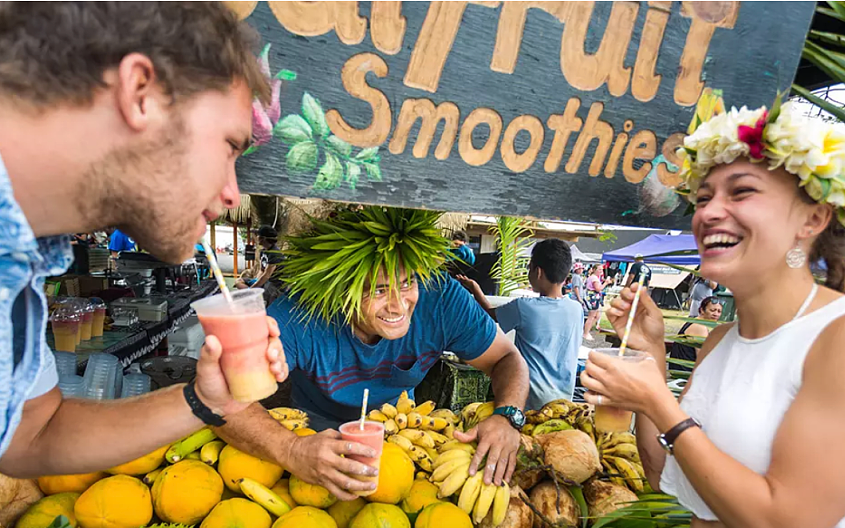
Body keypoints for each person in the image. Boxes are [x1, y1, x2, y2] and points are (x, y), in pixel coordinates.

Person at [0, 4, 315, 528]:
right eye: (230, 147)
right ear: (140, 90)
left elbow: (35, 436)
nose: (234, 191)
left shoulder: (9, 255)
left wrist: (207, 401)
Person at [581, 94, 845, 528]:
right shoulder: (721, 340)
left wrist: (661, 404)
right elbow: (665, 472)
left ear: (814, 218)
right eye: (703, 198)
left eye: (741, 191)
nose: (707, 212)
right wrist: (653, 358)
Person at [219, 206, 530, 493]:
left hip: (401, 435)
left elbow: (506, 357)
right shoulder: (300, 314)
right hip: (313, 436)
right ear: (340, 292)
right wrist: (291, 450)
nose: (398, 305)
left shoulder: (441, 299)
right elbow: (221, 399)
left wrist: (508, 415)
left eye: (407, 283)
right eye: (379, 289)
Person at [458, 239, 584, 410]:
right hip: (563, 402)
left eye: (529, 268)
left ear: (538, 271)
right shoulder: (577, 309)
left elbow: (489, 314)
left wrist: (475, 289)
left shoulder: (524, 307)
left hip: (529, 400)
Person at [669, 297, 723, 367]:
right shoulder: (700, 327)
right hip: (686, 371)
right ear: (702, 310)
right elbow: (702, 359)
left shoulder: (694, 321)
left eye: (719, 311)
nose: (716, 314)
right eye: (712, 310)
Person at [582, 264, 610, 341]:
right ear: (594, 270)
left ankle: (586, 330)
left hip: (594, 297)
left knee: (597, 315)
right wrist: (606, 283)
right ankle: (585, 333)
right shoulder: (594, 278)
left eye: (602, 269)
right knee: (592, 316)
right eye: (599, 269)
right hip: (593, 298)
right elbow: (598, 288)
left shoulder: (594, 278)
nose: (601, 271)